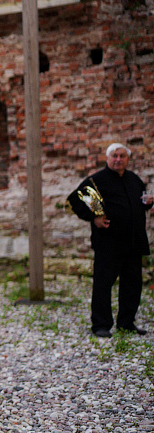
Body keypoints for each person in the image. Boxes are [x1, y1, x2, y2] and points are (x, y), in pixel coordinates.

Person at [67, 142, 152, 338]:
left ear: (128, 159)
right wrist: (94, 217)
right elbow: (76, 201)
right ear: (107, 159)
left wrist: (148, 203)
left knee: (132, 284)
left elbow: (139, 204)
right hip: (108, 242)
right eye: (114, 156)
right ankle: (101, 325)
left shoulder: (134, 180)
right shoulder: (97, 181)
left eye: (122, 156)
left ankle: (126, 322)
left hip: (133, 241)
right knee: (104, 284)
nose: (118, 159)